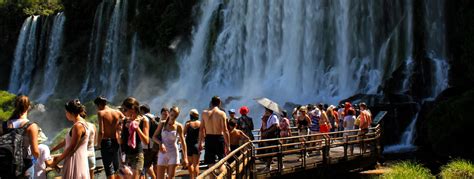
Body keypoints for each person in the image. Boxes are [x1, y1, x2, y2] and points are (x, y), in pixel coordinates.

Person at [0, 95, 40, 178]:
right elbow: (35, 152)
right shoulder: (31, 126)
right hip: (25, 167)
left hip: (6, 166)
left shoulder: (3, 125)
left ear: (15, 106)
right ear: (28, 107)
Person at [51, 99, 90, 179]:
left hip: (75, 160)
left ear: (71, 113)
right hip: (79, 159)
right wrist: (52, 150)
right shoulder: (82, 123)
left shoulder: (78, 126)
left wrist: (57, 159)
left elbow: (71, 148)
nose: (66, 114)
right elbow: (66, 141)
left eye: (66, 112)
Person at [153, 106, 188, 179]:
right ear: (169, 113)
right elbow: (154, 137)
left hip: (173, 153)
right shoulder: (162, 124)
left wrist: (185, 157)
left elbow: (183, 142)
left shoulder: (179, 126)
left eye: (175, 116)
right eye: (172, 115)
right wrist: (160, 143)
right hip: (162, 152)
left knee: (171, 177)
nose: (173, 117)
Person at [94, 96, 124, 179]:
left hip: (106, 142)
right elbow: (125, 119)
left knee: (109, 167)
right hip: (116, 140)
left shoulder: (101, 113)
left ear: (99, 105)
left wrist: (98, 144)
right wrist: (119, 128)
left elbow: (101, 131)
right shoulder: (117, 112)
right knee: (117, 165)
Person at [120, 97, 150, 179]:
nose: (123, 112)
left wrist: (137, 128)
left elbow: (146, 141)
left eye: (125, 109)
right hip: (126, 155)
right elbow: (121, 141)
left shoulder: (144, 120)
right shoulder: (125, 121)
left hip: (137, 155)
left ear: (133, 109)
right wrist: (118, 130)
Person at [199, 96, 230, 166]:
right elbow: (225, 130)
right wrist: (228, 145)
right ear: (219, 103)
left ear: (211, 103)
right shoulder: (222, 114)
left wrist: (200, 143)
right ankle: (221, 176)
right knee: (222, 162)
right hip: (219, 138)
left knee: (210, 164)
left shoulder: (204, 113)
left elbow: (201, 130)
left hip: (209, 139)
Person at [139, 104, 157, 179]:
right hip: (156, 146)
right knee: (154, 166)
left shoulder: (144, 118)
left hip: (147, 146)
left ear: (142, 110)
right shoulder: (156, 117)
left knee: (143, 167)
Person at [184, 109, 201, 179]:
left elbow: (183, 134)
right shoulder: (200, 123)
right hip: (196, 145)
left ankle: (191, 177)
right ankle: (197, 177)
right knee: (196, 164)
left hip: (189, 145)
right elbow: (203, 134)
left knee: (190, 164)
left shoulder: (188, 124)